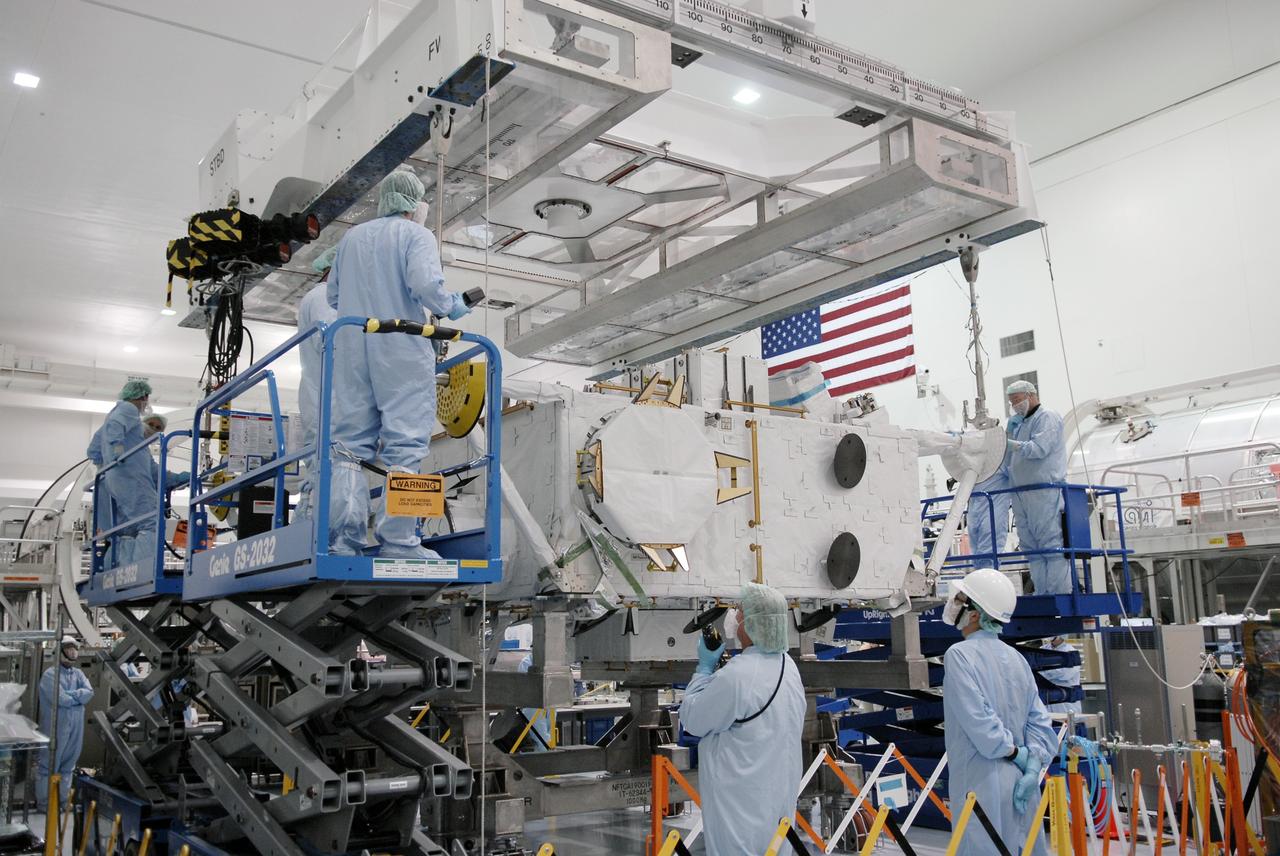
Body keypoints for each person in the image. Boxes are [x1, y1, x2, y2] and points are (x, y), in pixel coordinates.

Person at [325, 170, 472, 557]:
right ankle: (401, 542)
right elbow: (425, 285)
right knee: (405, 445)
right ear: (415, 204)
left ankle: (342, 541)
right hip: (401, 347)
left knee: (348, 447)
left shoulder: (351, 237)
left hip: (353, 344)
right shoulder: (416, 235)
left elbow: (335, 296)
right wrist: (451, 305)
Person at [679, 583, 805, 856]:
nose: (734, 617)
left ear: (752, 624)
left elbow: (693, 720)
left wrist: (703, 670)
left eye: (739, 612)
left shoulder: (739, 675)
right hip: (775, 798)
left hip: (740, 804)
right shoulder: (789, 666)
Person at [942, 569, 1057, 856]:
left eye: (960, 599)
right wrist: (1031, 765)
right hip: (1022, 783)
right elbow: (1040, 724)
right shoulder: (1016, 659)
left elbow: (979, 722)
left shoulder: (959, 655)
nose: (953, 603)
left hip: (981, 785)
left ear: (975, 614)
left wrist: (1013, 752)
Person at [1004, 380, 1072, 594]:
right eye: (1012, 402)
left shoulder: (1047, 417)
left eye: (1017, 400)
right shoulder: (1019, 424)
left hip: (1044, 490)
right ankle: (1042, 594)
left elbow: (1039, 449)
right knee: (1031, 547)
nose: (1015, 405)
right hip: (1021, 493)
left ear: (1031, 396)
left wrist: (1010, 444)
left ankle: (1058, 596)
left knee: (1051, 544)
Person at [296, 247, 340, 519]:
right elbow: (337, 344)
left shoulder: (321, 297)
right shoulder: (324, 297)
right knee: (325, 476)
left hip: (325, 401)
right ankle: (312, 540)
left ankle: (310, 538)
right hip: (329, 403)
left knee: (324, 474)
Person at [93, 381, 156, 567]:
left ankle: (121, 570)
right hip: (131, 477)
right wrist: (117, 448)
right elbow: (115, 426)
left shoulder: (112, 414)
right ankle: (142, 571)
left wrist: (105, 464)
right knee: (151, 523)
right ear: (143, 397)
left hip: (112, 478)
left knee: (125, 531)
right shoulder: (129, 409)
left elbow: (93, 449)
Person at [36, 637, 93, 810]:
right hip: (55, 726)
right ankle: (45, 804)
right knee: (49, 765)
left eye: (75, 648)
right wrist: (77, 696)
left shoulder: (78, 674)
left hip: (76, 725)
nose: (73, 651)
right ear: (59, 651)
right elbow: (60, 699)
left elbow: (89, 693)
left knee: (68, 765)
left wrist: (71, 695)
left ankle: (62, 802)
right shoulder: (50, 675)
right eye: (69, 648)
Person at [968, 469, 1012, 569]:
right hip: (974, 511)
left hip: (993, 511)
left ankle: (987, 580)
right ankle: (980, 581)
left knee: (988, 553)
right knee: (976, 555)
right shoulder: (975, 462)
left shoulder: (1002, 459)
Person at [140, 412, 190, 492]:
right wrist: (176, 479)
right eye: (150, 424)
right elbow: (153, 472)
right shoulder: (136, 447)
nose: (152, 428)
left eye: (158, 428)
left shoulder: (143, 449)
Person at [1040, 635, 1083, 715]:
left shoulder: (1070, 651)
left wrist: (1043, 672)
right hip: (1047, 702)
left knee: (1069, 724)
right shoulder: (1042, 650)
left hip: (1066, 704)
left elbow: (1064, 674)